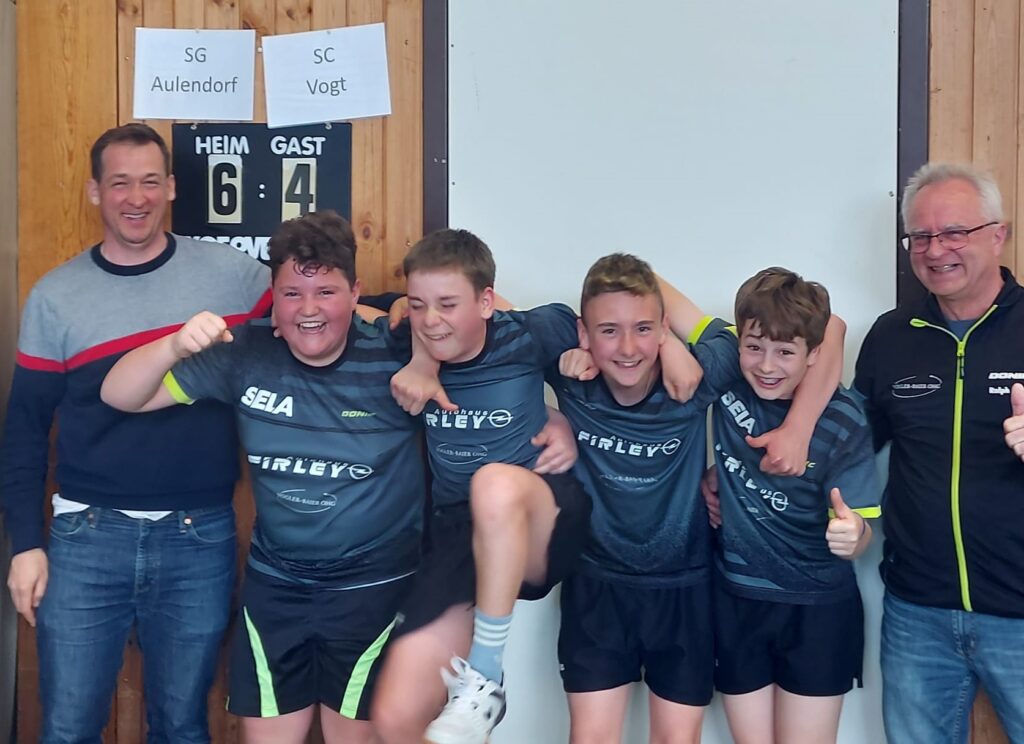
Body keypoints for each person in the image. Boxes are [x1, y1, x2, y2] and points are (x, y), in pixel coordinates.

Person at [100, 210, 425, 744]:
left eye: (326, 292)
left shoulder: (396, 350)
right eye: (292, 294)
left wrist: (547, 417)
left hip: (372, 587)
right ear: (273, 296)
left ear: (355, 293)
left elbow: (490, 320)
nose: (309, 309)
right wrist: (174, 345)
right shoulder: (247, 352)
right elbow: (119, 395)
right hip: (277, 587)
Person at [0, 123, 271, 743]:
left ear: (171, 188)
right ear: (95, 191)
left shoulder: (231, 276)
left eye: (151, 182)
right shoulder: (56, 296)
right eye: (120, 183)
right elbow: (24, 431)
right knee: (68, 728)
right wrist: (25, 545)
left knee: (182, 727)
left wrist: (400, 311)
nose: (137, 198)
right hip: (85, 537)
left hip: (198, 536)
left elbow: (312, 308)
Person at [555, 256, 853, 744]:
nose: (627, 347)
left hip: (686, 584)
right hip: (597, 582)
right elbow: (477, 315)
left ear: (663, 327)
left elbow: (830, 327)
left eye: (644, 329)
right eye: (608, 330)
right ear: (584, 333)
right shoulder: (566, 356)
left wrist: (797, 429)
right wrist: (552, 416)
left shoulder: (709, 366)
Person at [370, 228, 596, 744]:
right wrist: (415, 345)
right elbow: (356, 310)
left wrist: (565, 420)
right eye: (420, 304)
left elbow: (620, 337)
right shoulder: (407, 335)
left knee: (492, 483)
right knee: (396, 716)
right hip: (460, 532)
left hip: (542, 515)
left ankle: (486, 679)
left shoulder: (533, 331)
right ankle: (470, 703)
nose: (432, 320)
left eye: (448, 304)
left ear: (488, 302)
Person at [854, 162, 1024, 743]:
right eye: (921, 236)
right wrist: (738, 475)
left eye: (954, 232)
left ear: (998, 235)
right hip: (917, 614)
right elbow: (848, 444)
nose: (935, 250)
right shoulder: (890, 336)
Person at [697, 268, 879, 744]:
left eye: (785, 352)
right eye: (754, 347)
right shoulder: (728, 383)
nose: (766, 365)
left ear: (814, 354)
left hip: (818, 609)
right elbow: (661, 310)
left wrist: (853, 535)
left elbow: (861, 527)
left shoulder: (844, 416)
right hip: (738, 598)